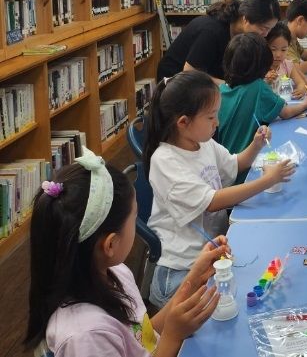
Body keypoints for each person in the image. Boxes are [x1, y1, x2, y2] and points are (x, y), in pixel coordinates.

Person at [25, 150, 228, 357]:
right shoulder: (86, 336)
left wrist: (193, 278)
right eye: (135, 216)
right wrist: (174, 336)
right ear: (111, 244)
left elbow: (143, 338)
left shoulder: (116, 273)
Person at [143, 70, 295, 308]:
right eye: (211, 117)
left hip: (211, 256)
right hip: (181, 271)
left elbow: (235, 164)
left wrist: (255, 145)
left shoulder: (202, 143)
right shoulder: (165, 161)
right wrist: (266, 180)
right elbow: (213, 201)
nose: (218, 122)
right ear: (183, 122)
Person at [218, 33, 307, 158]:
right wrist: (306, 103)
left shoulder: (222, 89)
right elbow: (286, 112)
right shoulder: (258, 87)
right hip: (244, 161)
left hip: (223, 162)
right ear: (263, 62)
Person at [157, 0, 280, 83]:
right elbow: (190, 72)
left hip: (204, 82)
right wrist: (229, 87)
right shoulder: (211, 31)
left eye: (270, 29)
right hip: (175, 85)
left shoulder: (241, 34)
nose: (265, 34)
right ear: (245, 19)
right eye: (263, 28)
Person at [265, 22, 307, 97]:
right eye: (273, 49)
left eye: (283, 50)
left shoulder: (287, 65)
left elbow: (301, 83)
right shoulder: (259, 67)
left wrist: (301, 89)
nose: (278, 55)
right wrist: (266, 79)